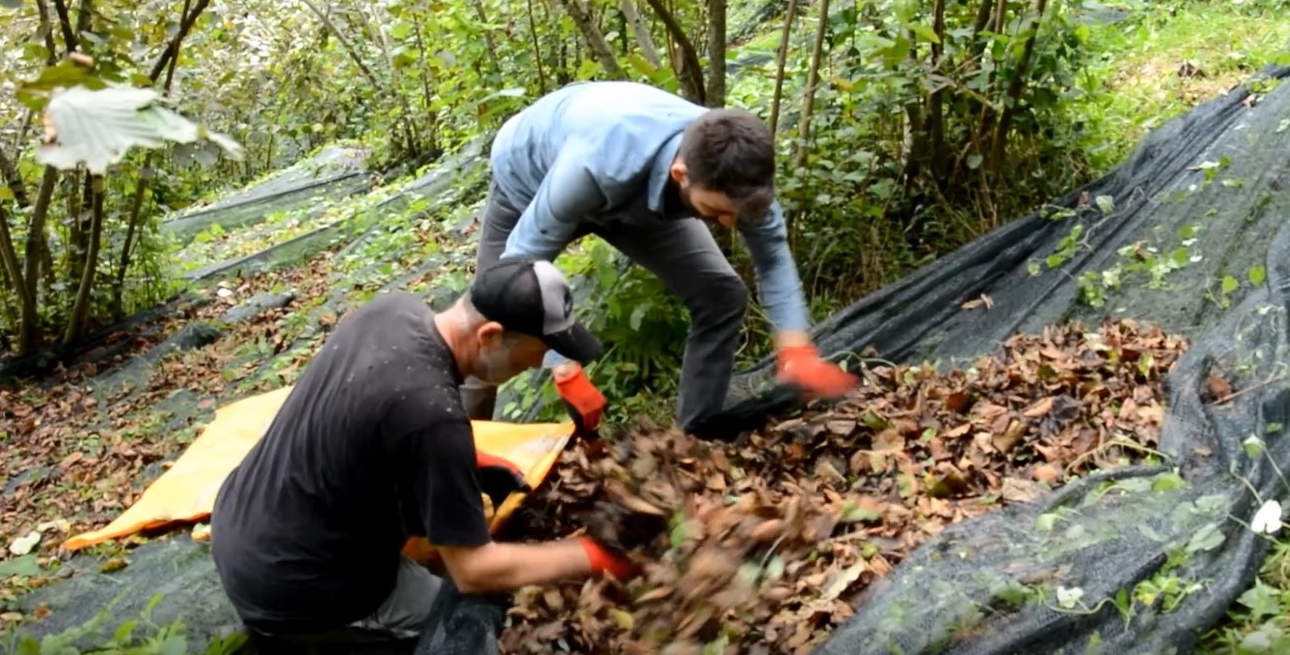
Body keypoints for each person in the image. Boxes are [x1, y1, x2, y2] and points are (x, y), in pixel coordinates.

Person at [209, 257, 640, 649]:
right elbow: (474, 570)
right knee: (478, 618)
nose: (535, 366)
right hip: (295, 582)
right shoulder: (432, 416)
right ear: (490, 336)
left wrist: (472, 462)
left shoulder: (392, 311)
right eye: (536, 354)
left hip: (241, 519)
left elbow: (375, 417)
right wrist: (592, 555)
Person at [463, 80, 860, 438]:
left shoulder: (740, 177)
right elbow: (520, 267)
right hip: (531, 178)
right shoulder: (596, 164)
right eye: (716, 211)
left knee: (720, 293)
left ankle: (697, 434)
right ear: (680, 174)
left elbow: (772, 258)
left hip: (633, 197)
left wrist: (796, 348)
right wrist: (562, 366)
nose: (728, 224)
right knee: (489, 323)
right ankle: (458, 460)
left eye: (737, 213)